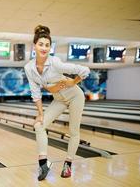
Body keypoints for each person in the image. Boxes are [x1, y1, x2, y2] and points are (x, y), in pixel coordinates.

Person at [24, 25, 90, 180]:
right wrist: (40, 114)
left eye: (47, 45)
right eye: (41, 44)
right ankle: (43, 163)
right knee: (39, 125)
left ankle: (68, 163)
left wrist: (73, 82)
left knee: (73, 131)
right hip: (59, 100)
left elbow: (84, 70)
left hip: (75, 97)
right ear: (34, 46)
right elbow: (35, 92)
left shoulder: (55, 62)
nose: (44, 48)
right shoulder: (29, 68)